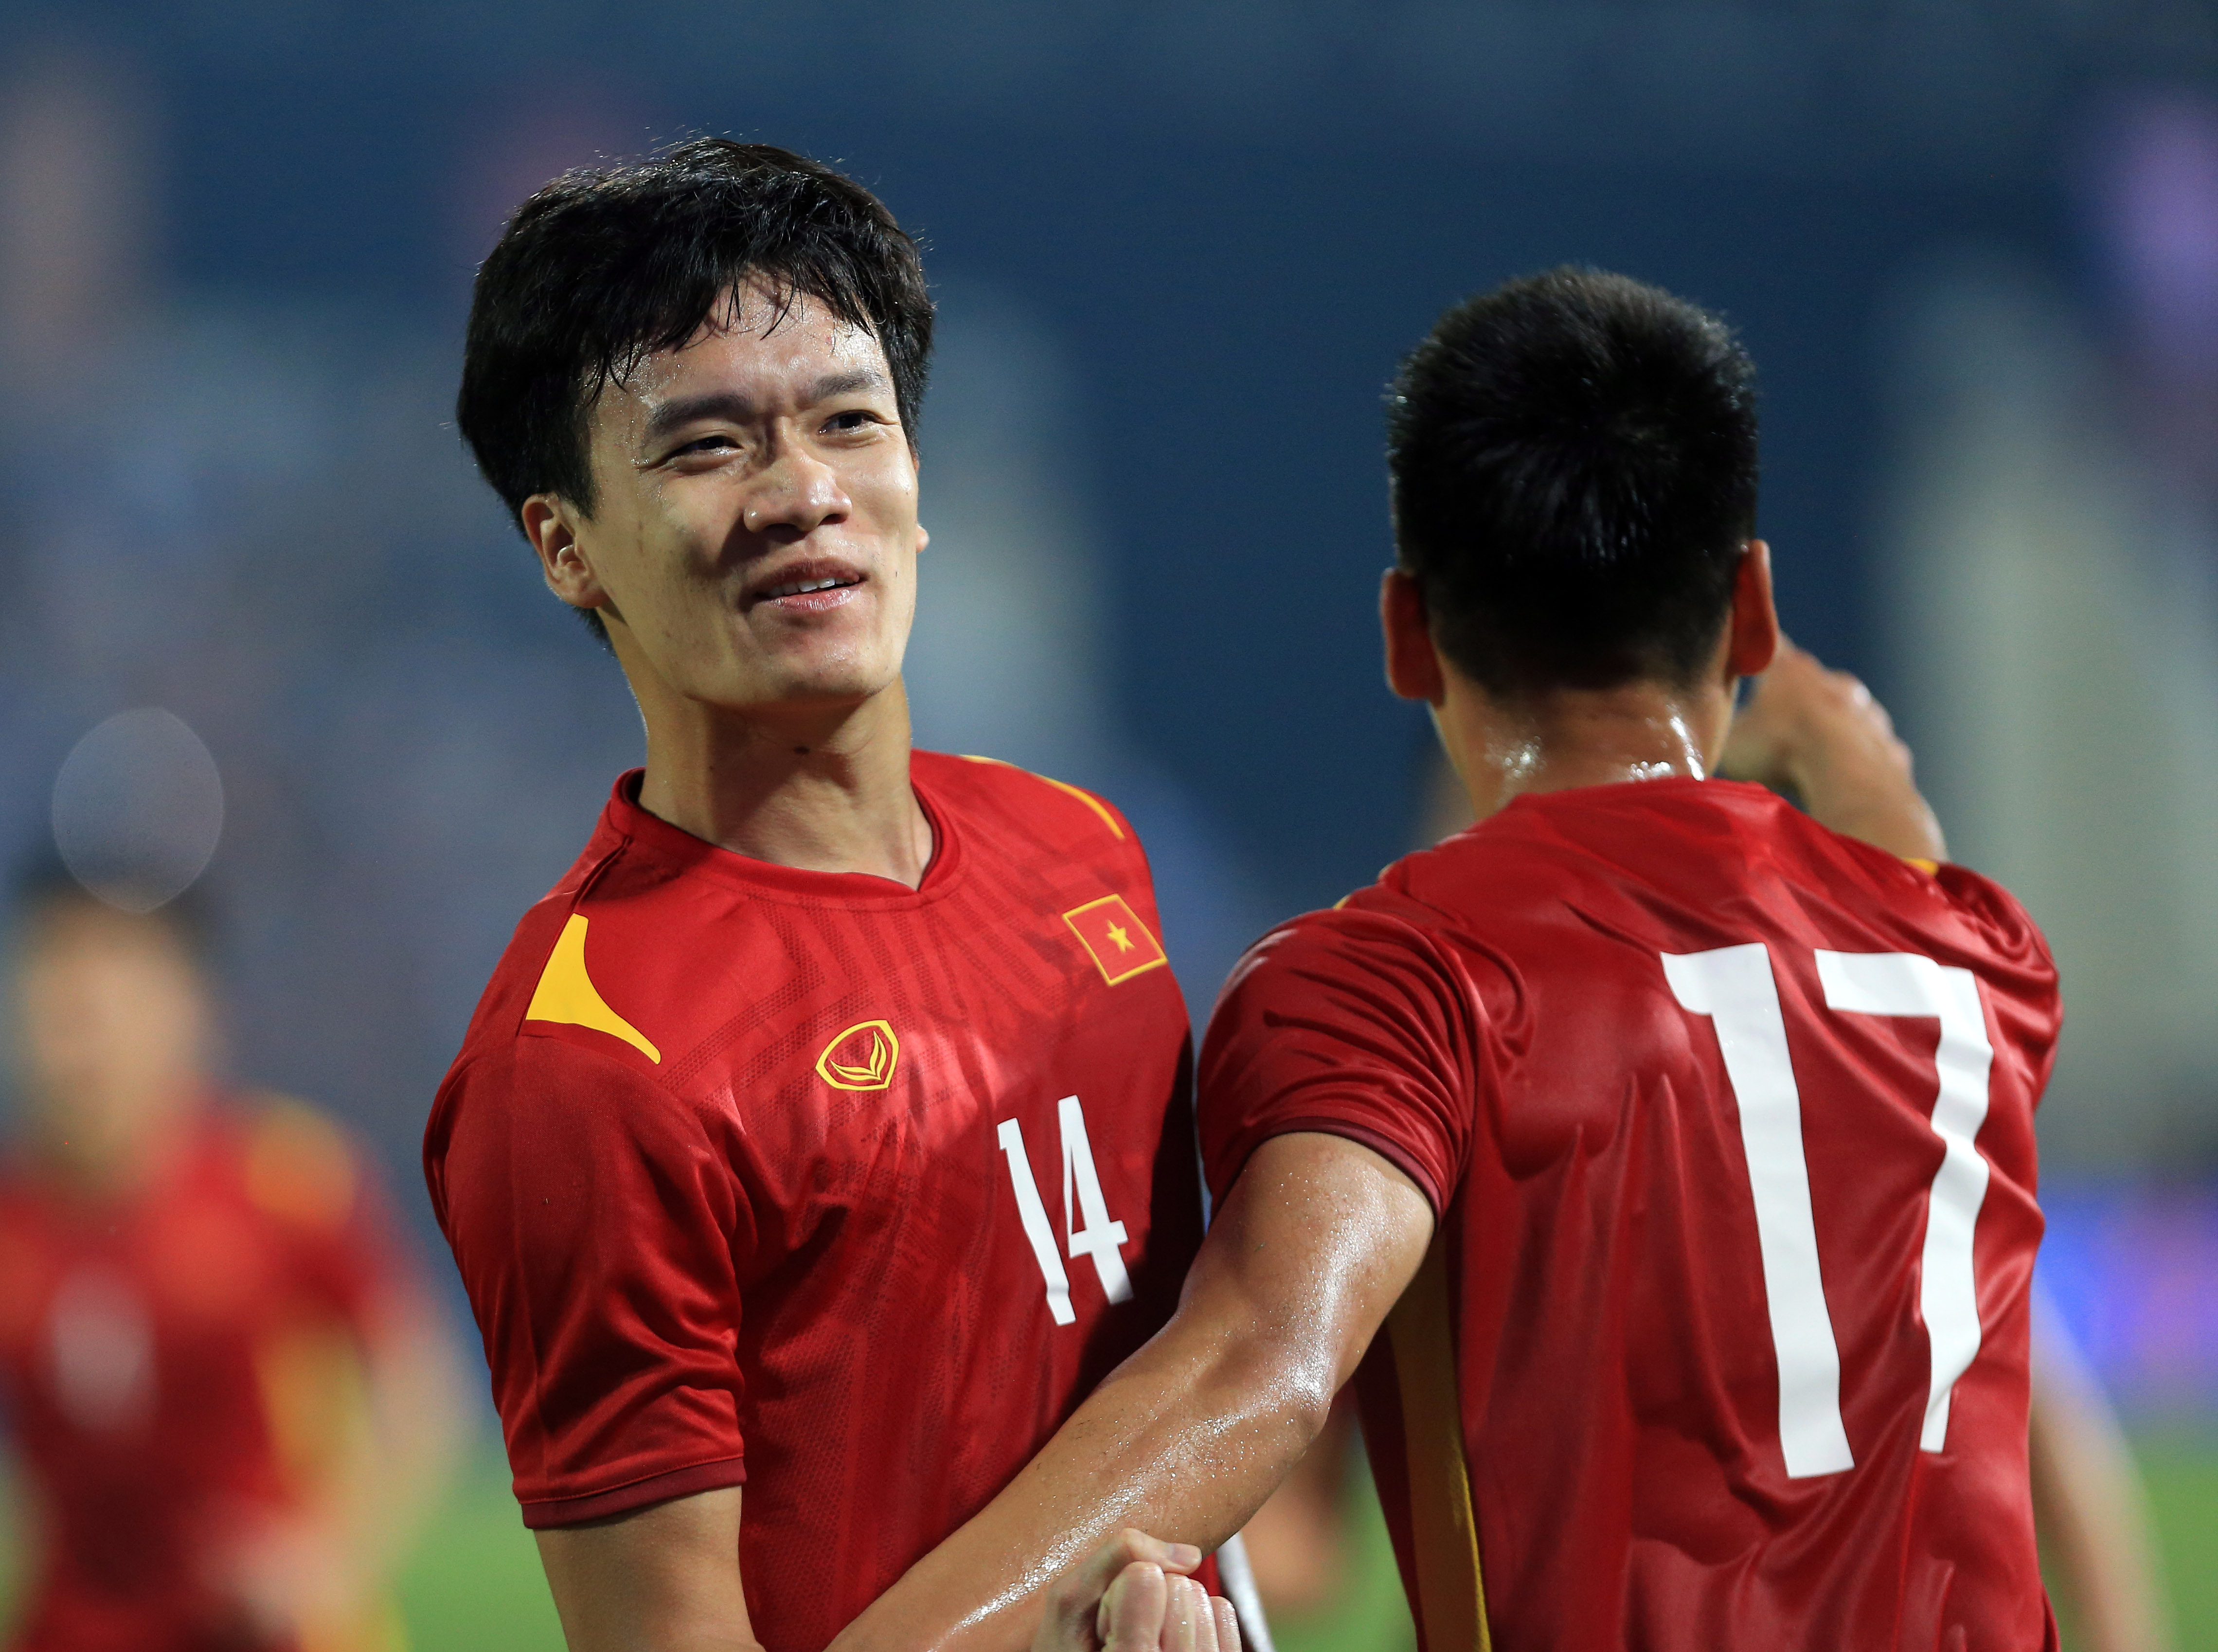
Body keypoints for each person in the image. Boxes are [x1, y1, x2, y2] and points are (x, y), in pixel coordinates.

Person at [831, 267, 2068, 1652]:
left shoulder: (1392, 989)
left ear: (1405, 634)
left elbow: (1261, 1368)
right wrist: (1859, 770)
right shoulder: (1984, 966)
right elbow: (1900, 884)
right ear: (1755, 611)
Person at [423, 138, 1243, 1652]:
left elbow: (1212, 1435)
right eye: (705, 446)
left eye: (850, 421)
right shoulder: (585, 1067)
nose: (805, 493)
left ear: (918, 482)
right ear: (565, 545)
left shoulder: (1083, 850)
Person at [0, 867, 461, 1652]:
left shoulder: (284, 1181)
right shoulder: (15, 1215)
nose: (82, 1030)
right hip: (72, 1625)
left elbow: (420, 1384)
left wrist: (331, 1559)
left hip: (260, 1629)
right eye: (57, 991)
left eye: (114, 991)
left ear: (191, 1011)